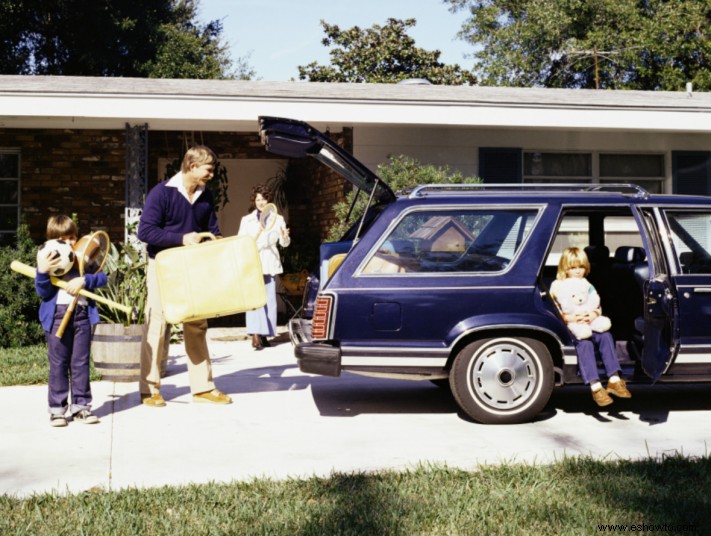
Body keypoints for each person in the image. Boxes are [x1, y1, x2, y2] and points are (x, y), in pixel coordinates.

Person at [137, 145, 232, 407]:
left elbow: (212, 228)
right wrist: (181, 238)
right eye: (208, 170)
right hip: (162, 266)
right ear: (192, 167)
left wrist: (219, 245)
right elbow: (145, 232)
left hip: (193, 268)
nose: (211, 175)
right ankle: (149, 390)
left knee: (196, 325)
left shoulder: (205, 196)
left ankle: (202, 388)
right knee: (157, 324)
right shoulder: (161, 193)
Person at [35, 214, 107, 427]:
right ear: (53, 241)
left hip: (82, 316)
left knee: (80, 363)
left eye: (72, 237)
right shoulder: (48, 260)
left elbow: (102, 277)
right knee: (58, 363)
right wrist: (42, 272)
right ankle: (57, 410)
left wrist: (84, 280)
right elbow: (43, 292)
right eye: (63, 239)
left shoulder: (83, 259)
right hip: (57, 318)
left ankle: (81, 407)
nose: (69, 243)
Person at [550, 247, 632, 407]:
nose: (578, 271)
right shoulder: (557, 285)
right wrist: (567, 318)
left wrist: (594, 313)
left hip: (590, 321)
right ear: (564, 268)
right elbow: (555, 307)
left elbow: (596, 301)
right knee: (585, 344)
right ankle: (595, 386)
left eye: (581, 267)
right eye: (573, 268)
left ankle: (614, 379)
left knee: (606, 336)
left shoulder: (587, 284)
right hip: (573, 326)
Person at [238, 184, 290, 350]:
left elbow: (284, 244)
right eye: (258, 199)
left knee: (269, 300)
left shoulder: (278, 218)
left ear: (269, 200)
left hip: (269, 261)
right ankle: (255, 333)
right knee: (254, 299)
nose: (260, 202)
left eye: (263, 199)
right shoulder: (247, 220)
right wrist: (258, 232)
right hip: (253, 260)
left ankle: (265, 334)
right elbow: (242, 242)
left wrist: (285, 237)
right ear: (254, 201)